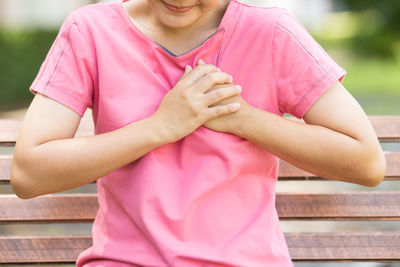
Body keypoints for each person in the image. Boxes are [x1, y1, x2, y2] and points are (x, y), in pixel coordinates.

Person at [10, 0, 386, 266]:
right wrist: (161, 127)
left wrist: (238, 117)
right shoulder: (90, 31)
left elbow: (366, 162)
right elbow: (28, 174)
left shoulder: (271, 32)